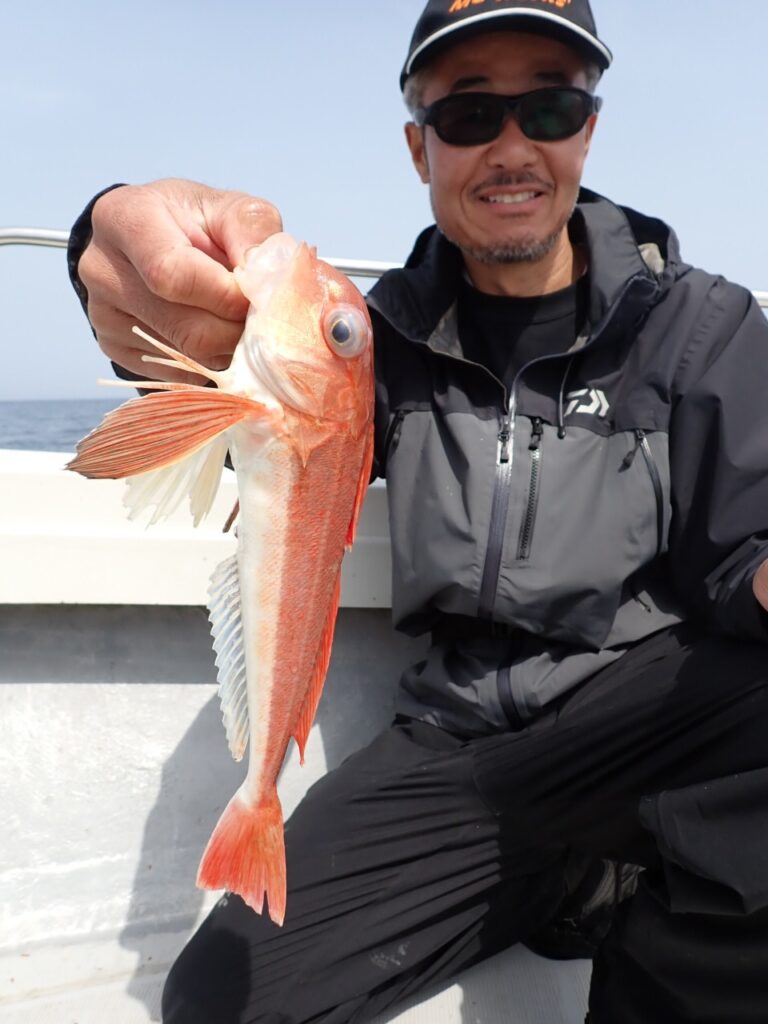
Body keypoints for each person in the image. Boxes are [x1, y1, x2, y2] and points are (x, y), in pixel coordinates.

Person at [68, 1, 768, 1021]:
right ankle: (575, 882)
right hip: (456, 748)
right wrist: (110, 249)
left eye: (550, 105)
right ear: (417, 145)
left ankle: (635, 933)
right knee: (223, 1001)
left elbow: (739, 560)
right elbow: (215, 414)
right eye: (469, 115)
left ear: (589, 129)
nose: (512, 147)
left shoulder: (701, 328)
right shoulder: (377, 338)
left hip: (638, 725)